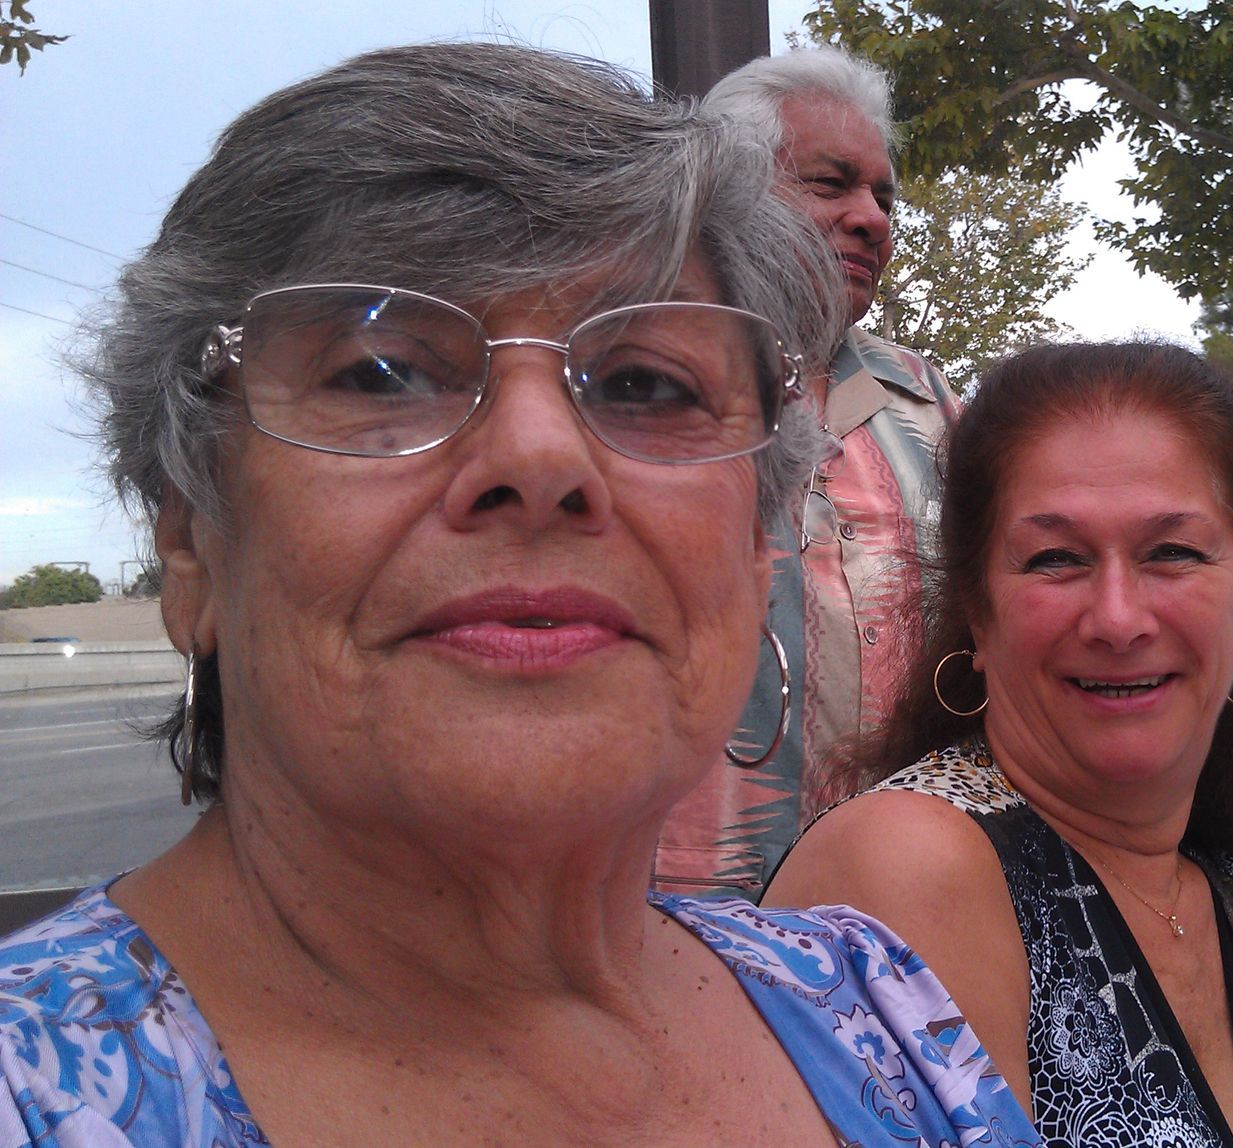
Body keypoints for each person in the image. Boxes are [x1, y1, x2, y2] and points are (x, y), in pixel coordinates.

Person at [0, 44, 1038, 1147]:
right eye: (384, 372)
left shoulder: (880, 1003)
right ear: (188, 542)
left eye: (647, 383)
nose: (542, 457)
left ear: (754, 548)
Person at [768, 343, 1233, 1147]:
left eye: (1173, 553)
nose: (1119, 619)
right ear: (978, 612)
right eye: (1056, 559)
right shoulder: (910, 866)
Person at [650, 47, 961, 900]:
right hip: (682, 904)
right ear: (727, 188)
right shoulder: (629, 381)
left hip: (901, 901)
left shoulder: (928, 399)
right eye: (831, 184)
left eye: (885, 198)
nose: (872, 219)